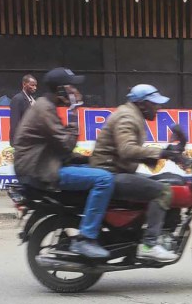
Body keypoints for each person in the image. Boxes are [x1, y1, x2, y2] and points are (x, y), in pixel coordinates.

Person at [13, 68, 114, 258]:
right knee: (104, 179)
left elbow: (59, 147)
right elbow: (66, 145)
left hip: (45, 164)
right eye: (71, 87)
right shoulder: (44, 110)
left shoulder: (46, 106)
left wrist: (90, 159)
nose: (75, 91)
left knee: (97, 169)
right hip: (41, 171)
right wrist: (75, 111)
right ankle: (86, 237)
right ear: (60, 90)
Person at [90, 84, 183, 262]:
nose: (158, 107)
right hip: (111, 174)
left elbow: (131, 151)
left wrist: (168, 154)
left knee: (164, 181)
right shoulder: (127, 117)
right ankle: (149, 244)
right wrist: (161, 153)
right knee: (163, 191)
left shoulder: (132, 114)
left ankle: (145, 233)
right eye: (154, 103)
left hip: (117, 171)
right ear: (142, 104)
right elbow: (127, 150)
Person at [10, 74, 38, 146]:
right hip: (22, 142)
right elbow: (15, 122)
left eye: (35, 85)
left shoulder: (32, 100)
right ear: (24, 84)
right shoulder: (18, 99)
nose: (35, 88)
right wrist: (15, 142)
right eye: (32, 85)